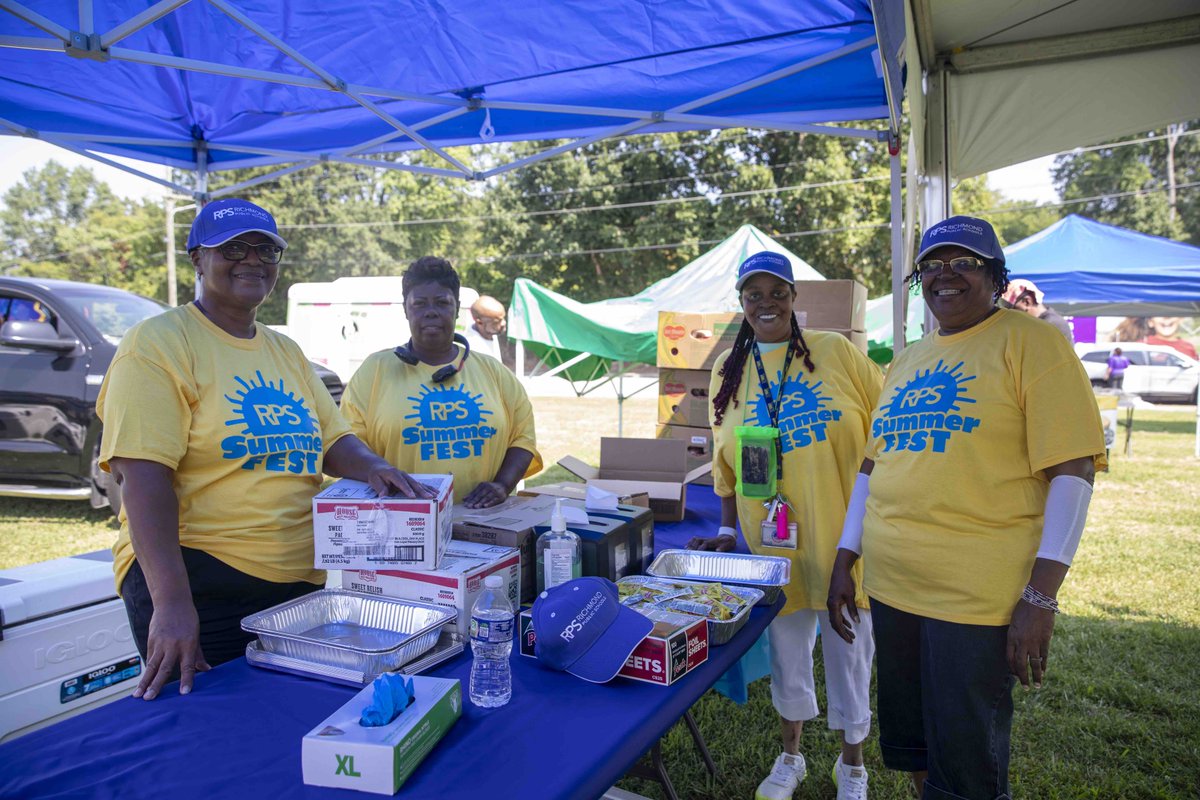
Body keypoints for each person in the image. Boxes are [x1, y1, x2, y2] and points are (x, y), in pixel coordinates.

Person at [98, 198, 431, 702]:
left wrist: (376, 467)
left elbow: (332, 439)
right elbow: (142, 476)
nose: (252, 260)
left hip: (296, 584)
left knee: (287, 725)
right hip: (199, 583)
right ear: (196, 258)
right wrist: (171, 603)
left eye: (265, 250)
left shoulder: (285, 351)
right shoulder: (159, 344)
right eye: (233, 248)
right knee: (213, 738)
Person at [828, 215, 1106, 800]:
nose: (945, 275)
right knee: (915, 744)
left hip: (974, 598)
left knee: (968, 762)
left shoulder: (1033, 342)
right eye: (932, 264)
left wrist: (1040, 595)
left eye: (964, 263)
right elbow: (873, 467)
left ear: (996, 276)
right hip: (892, 585)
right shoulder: (906, 359)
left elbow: (1074, 472)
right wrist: (844, 557)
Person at [688, 251, 883, 800]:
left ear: (795, 298)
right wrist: (728, 530)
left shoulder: (836, 352)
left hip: (843, 537)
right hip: (773, 541)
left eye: (778, 292)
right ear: (742, 303)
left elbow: (884, 422)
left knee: (850, 655)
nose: (766, 303)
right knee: (787, 653)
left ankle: (852, 767)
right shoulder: (729, 366)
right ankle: (791, 756)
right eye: (755, 294)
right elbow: (723, 464)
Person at [341, 257, 541, 509]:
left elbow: (523, 438)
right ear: (406, 309)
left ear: (456, 308)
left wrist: (502, 484)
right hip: (402, 524)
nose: (431, 311)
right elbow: (346, 443)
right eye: (420, 303)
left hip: (481, 523)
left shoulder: (493, 372)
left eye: (442, 302)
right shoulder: (374, 371)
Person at [1001, 278, 1074, 342]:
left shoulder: (1049, 324)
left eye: (1012, 309)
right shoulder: (1045, 322)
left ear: (1027, 302)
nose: (1011, 314)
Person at [462, 294, 506, 362]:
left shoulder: (489, 331)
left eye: (503, 318)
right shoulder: (473, 349)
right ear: (479, 322)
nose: (503, 323)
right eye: (497, 321)